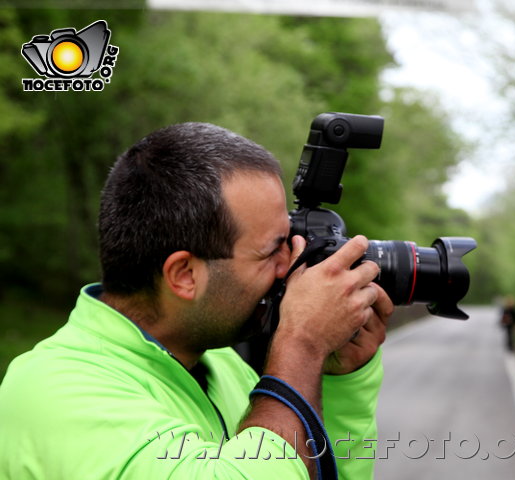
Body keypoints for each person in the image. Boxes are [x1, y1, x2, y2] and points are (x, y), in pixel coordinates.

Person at [0, 123, 394, 479]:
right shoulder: (57, 391)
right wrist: (301, 342)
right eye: (272, 250)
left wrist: (337, 381)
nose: (289, 266)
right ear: (184, 275)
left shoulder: (220, 364)